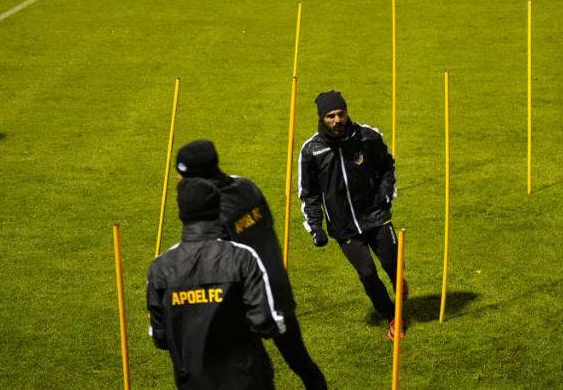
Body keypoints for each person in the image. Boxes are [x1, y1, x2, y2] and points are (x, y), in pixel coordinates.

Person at [175, 140, 327, 390]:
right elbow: (267, 224)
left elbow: (217, 262)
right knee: (301, 362)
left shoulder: (211, 212)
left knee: (252, 373)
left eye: (182, 175)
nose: (179, 180)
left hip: (245, 303)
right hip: (276, 286)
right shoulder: (246, 187)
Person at [147, 178, 284, 389]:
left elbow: (160, 337)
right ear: (216, 211)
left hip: (193, 382)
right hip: (245, 379)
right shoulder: (241, 257)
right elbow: (264, 322)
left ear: (182, 213)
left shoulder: (160, 268)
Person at [298, 90, 407, 340]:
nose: (337, 120)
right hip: (344, 226)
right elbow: (309, 194)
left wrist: (385, 193)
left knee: (393, 262)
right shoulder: (311, 151)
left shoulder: (367, 136)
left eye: (341, 114)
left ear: (346, 113)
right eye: (331, 116)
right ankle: (392, 316)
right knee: (367, 273)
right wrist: (315, 227)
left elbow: (387, 166)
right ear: (322, 118)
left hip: (375, 215)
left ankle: (398, 280)